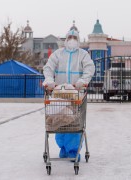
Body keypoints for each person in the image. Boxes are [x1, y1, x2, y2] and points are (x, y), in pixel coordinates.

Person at [43, 29, 95, 160]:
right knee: (60, 121)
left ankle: (73, 150)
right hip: (60, 94)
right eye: (70, 37)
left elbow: (89, 68)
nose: (72, 39)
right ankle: (64, 147)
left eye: (75, 37)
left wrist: (82, 81)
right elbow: (49, 67)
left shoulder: (83, 55)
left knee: (75, 122)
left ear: (78, 40)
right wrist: (49, 80)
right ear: (66, 39)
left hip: (76, 95)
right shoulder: (58, 54)